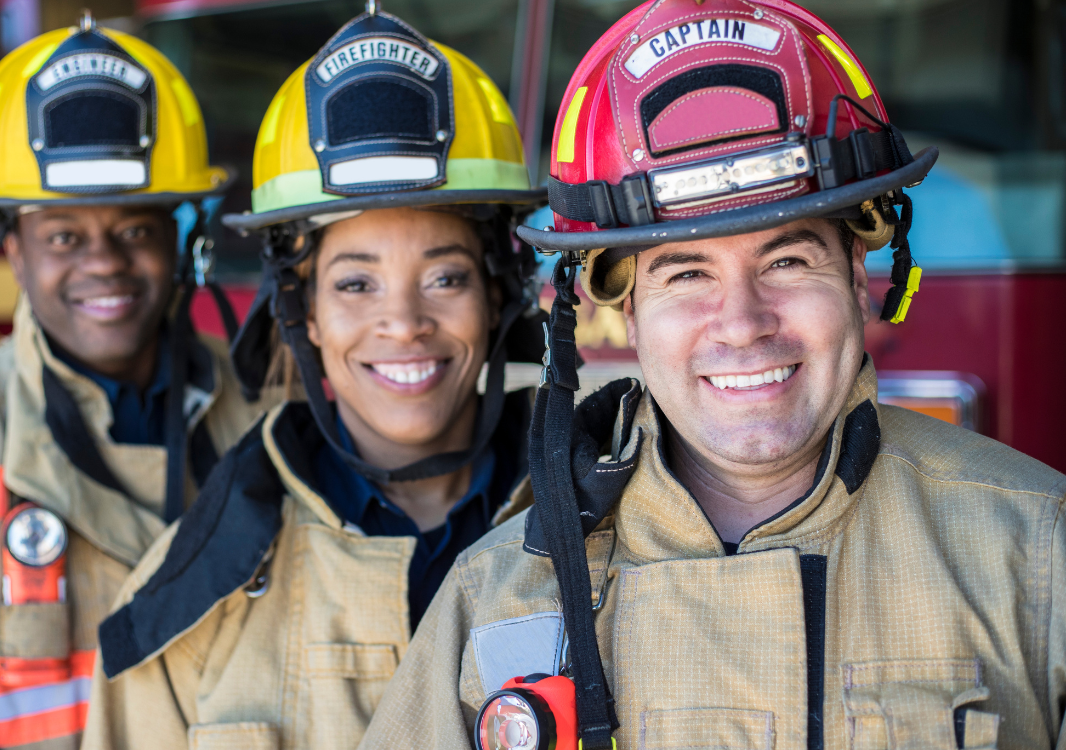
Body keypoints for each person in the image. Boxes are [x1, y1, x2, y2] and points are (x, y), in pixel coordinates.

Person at [360, 2, 1066, 750]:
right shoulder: (494, 599)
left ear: (860, 274)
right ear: (626, 313)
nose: (741, 322)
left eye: (788, 261)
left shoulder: (1036, 551)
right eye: (688, 274)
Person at [80, 6, 547, 750]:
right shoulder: (191, 600)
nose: (402, 323)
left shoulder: (604, 523)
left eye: (445, 278)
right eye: (356, 285)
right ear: (304, 316)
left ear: (500, 297)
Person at [0, 16, 266, 750]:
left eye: (136, 230)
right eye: (63, 237)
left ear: (181, 244)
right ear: (13, 252)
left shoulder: (271, 413)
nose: (104, 262)